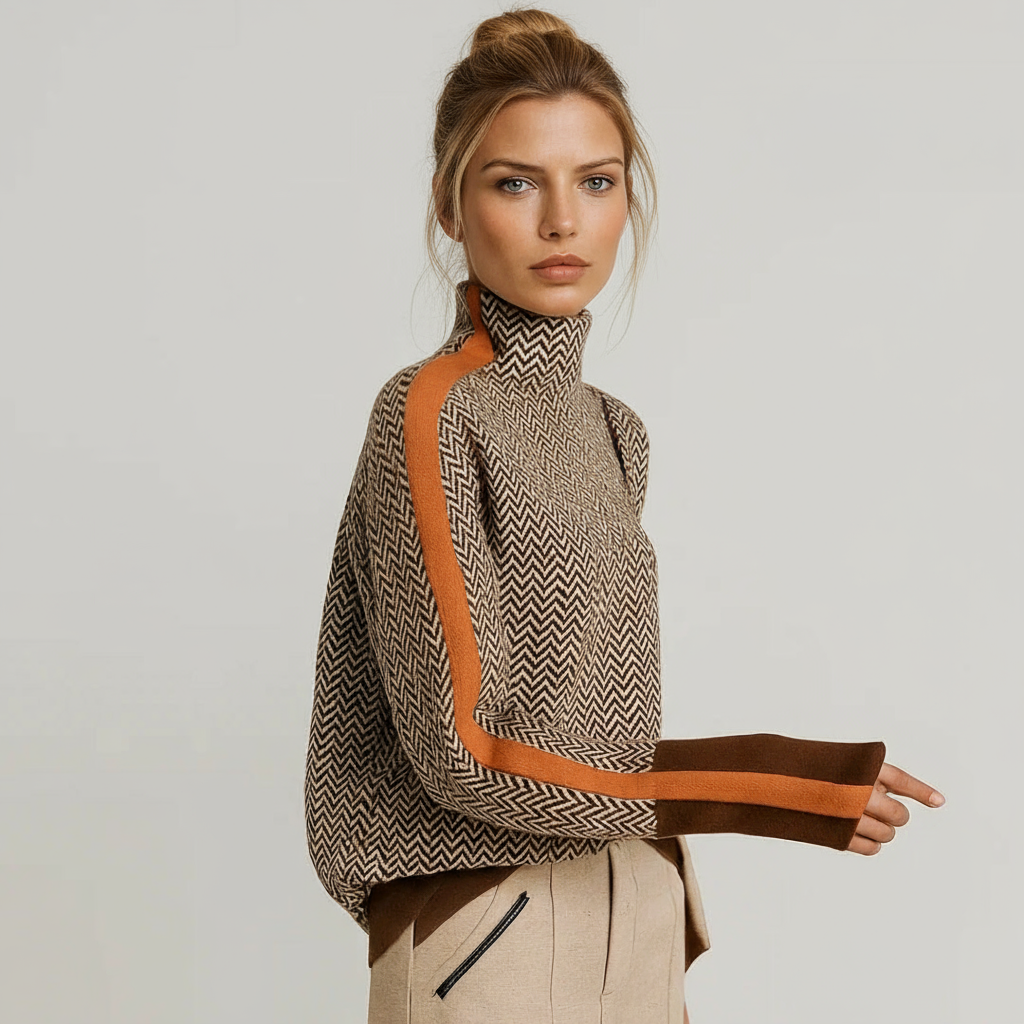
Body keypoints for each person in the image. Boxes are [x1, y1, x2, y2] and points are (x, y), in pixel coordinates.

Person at [304, 8, 945, 1022]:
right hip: (494, 926)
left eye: (596, 182)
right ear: (450, 206)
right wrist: (780, 784)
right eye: (516, 182)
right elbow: (466, 750)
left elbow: (588, 726)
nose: (563, 222)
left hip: (635, 900)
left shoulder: (614, 430)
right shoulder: (431, 413)